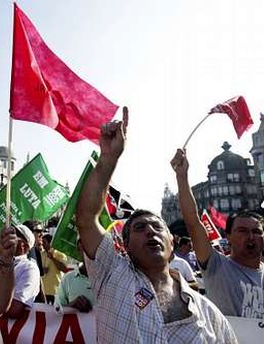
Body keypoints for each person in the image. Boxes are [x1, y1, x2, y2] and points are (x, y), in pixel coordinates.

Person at [76, 108, 237, 343]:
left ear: (171, 242)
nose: (150, 230)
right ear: (125, 245)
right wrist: (109, 158)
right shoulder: (112, 274)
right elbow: (86, 218)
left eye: (157, 227)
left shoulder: (208, 313)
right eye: (139, 228)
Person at [172, 148, 264, 318]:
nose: (251, 237)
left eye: (257, 231)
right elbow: (193, 222)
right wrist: (182, 177)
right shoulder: (217, 266)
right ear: (228, 236)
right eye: (242, 231)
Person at [55, 239, 95, 313]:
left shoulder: (109, 279)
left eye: (93, 247)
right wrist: (72, 305)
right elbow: (56, 310)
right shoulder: (68, 279)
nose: (89, 253)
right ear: (78, 250)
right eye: (84, 249)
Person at [41, 233, 67, 304]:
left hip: (55, 291)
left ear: (50, 243)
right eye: (42, 242)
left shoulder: (60, 254)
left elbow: (64, 269)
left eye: (44, 242)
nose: (42, 244)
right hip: (43, 291)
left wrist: (53, 258)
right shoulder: (41, 254)